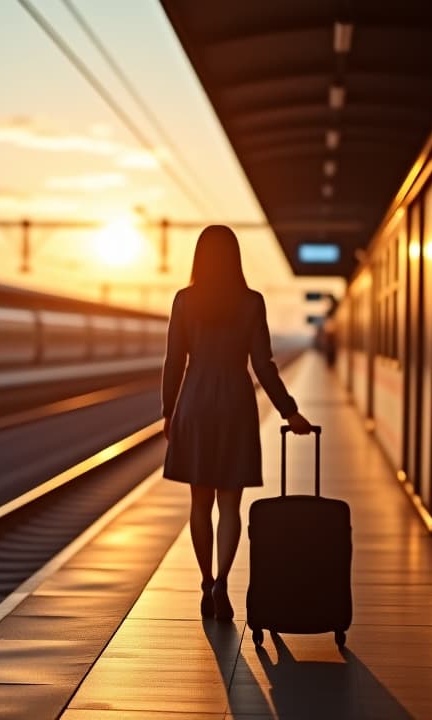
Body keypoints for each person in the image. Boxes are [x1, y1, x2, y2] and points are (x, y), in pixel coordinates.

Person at [161, 224, 312, 622]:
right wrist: (289, 410)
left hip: (193, 403)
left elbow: (174, 360)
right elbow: (263, 364)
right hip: (235, 406)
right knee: (230, 504)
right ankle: (223, 581)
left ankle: (205, 579)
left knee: (199, 502)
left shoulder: (184, 300)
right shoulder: (251, 302)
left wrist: (168, 410)